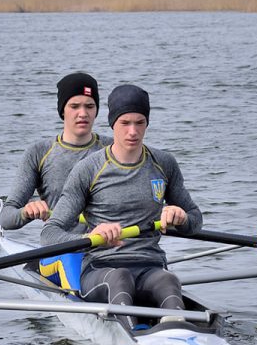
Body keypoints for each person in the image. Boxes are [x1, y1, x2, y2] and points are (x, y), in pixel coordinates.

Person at [41, 84, 202, 325]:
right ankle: (134, 339)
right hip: (101, 269)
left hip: (151, 265)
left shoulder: (164, 163)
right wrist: (91, 236)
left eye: (140, 123)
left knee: (169, 281)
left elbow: (195, 221)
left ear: (147, 123)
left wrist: (182, 218)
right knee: (121, 278)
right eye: (125, 123)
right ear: (112, 123)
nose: (133, 131)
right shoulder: (88, 170)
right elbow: (49, 234)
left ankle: (179, 334)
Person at [0, 72, 106, 230]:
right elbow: (6, 218)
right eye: (74, 106)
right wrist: (26, 212)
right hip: (61, 249)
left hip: (107, 249)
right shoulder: (39, 153)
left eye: (89, 106)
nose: (83, 113)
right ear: (63, 110)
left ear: (96, 110)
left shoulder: (113, 149)